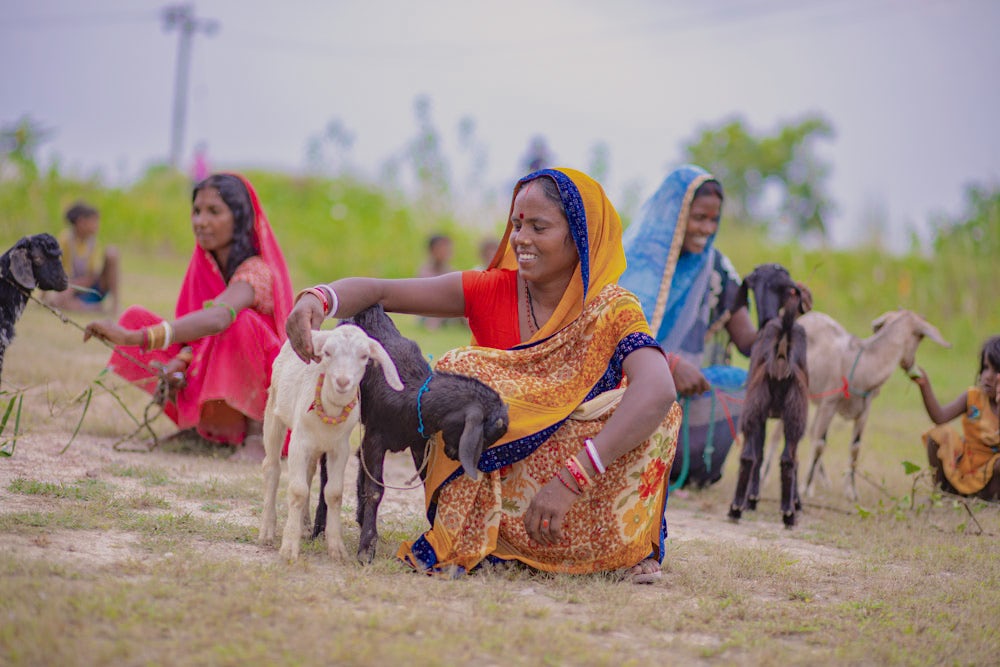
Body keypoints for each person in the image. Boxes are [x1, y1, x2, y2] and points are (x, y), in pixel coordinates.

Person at [286, 168, 680, 583]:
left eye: (539, 227)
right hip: (503, 485)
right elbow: (381, 291)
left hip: (584, 491)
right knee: (463, 373)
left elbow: (658, 389)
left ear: (579, 235)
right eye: (516, 224)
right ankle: (482, 535)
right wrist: (318, 298)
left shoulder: (612, 308)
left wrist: (571, 478)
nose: (521, 238)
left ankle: (608, 550)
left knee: (661, 416)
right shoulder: (492, 290)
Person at [619, 165, 811, 489]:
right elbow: (610, 336)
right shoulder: (634, 261)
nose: (706, 228)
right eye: (698, 218)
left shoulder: (716, 268)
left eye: (713, 220)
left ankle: (683, 462)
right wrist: (667, 364)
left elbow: (749, 343)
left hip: (685, 393)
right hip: (628, 385)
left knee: (743, 384)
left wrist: (784, 316)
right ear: (674, 213)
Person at [83, 174, 293, 462]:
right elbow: (196, 340)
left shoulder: (256, 271)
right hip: (214, 366)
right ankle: (203, 429)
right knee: (136, 317)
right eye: (196, 211)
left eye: (214, 212)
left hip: (268, 397)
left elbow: (219, 318)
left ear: (241, 218)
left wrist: (137, 339)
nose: (200, 221)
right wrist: (178, 363)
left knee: (241, 322)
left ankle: (257, 438)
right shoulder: (204, 268)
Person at [911, 336, 1000, 500]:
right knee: (938, 434)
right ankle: (943, 492)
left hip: (991, 480)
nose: (988, 376)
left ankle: (987, 499)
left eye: (996, 371)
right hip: (966, 469)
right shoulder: (973, 397)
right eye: (985, 368)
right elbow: (940, 416)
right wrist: (925, 386)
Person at [48, 201, 120, 314]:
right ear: (81, 222)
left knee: (112, 253)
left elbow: (92, 276)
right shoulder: (65, 240)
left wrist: (73, 287)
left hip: (89, 288)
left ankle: (114, 305)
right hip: (71, 288)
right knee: (57, 300)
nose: (97, 225)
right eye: (94, 221)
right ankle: (92, 307)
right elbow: (55, 271)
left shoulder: (92, 242)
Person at [417, 233, 456, 330]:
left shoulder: (451, 271)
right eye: (441, 248)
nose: (444, 251)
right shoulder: (426, 271)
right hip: (429, 310)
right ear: (432, 250)